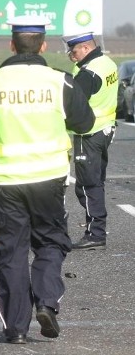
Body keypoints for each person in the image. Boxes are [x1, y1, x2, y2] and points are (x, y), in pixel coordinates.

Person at [0, 15, 95, 344]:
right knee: (51, 242)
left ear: (11, 45)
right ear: (42, 46)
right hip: (49, 179)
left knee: (11, 252)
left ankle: (16, 329)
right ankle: (47, 303)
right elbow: (85, 123)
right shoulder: (61, 82)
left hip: (7, 181)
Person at [63, 32, 119, 250]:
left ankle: (95, 233)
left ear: (86, 48)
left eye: (74, 51)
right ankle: (96, 231)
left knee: (87, 185)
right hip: (105, 130)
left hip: (89, 133)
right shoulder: (107, 63)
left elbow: (72, 105)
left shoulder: (88, 73)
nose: (71, 55)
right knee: (96, 182)